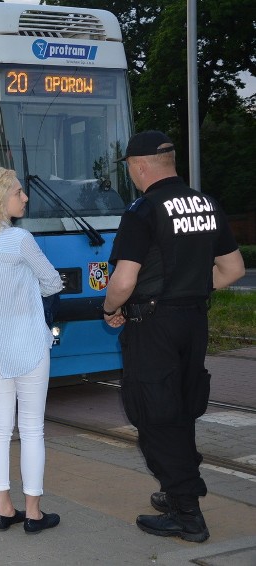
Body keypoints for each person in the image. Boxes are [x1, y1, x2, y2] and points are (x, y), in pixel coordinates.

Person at [103, 131, 244, 543]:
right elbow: (232, 269)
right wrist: (192, 289)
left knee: (155, 415)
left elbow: (124, 280)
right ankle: (176, 489)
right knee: (181, 408)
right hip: (193, 321)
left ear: (139, 166)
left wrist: (111, 309)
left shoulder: (143, 210)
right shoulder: (206, 203)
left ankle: (188, 514)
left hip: (153, 326)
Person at [0, 167, 63, 534]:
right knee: (32, 429)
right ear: (1, 198)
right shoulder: (19, 239)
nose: (25, 197)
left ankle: (4, 509)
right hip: (26, 344)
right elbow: (51, 281)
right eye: (19, 192)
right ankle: (33, 513)